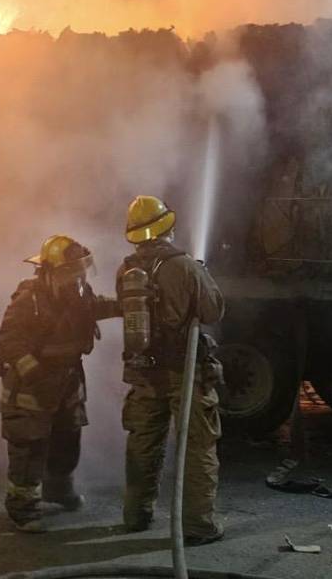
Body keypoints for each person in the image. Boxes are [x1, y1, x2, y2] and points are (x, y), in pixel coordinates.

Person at [117, 195, 226, 546]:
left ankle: (136, 515)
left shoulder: (127, 269)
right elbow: (213, 312)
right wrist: (201, 273)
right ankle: (197, 526)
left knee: (143, 443)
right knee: (197, 447)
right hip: (185, 371)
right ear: (167, 226)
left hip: (144, 373)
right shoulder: (184, 266)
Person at [0, 234, 118, 532]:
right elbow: (10, 342)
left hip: (67, 382)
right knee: (29, 447)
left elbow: (94, 307)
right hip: (31, 387)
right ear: (51, 272)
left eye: (81, 270)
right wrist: (35, 375)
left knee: (67, 439)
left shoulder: (78, 294)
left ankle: (59, 490)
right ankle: (23, 510)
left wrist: (127, 305)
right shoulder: (29, 299)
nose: (79, 276)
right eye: (71, 271)